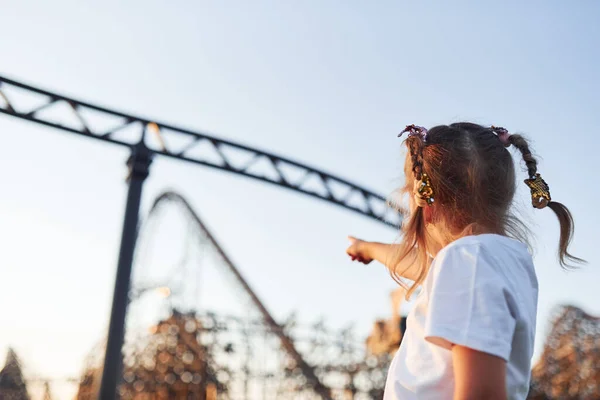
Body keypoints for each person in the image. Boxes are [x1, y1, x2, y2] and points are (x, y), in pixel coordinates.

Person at [346, 123, 584, 400]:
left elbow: (482, 393)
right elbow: (421, 267)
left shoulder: (468, 262)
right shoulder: (496, 260)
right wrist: (369, 249)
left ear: (428, 205)